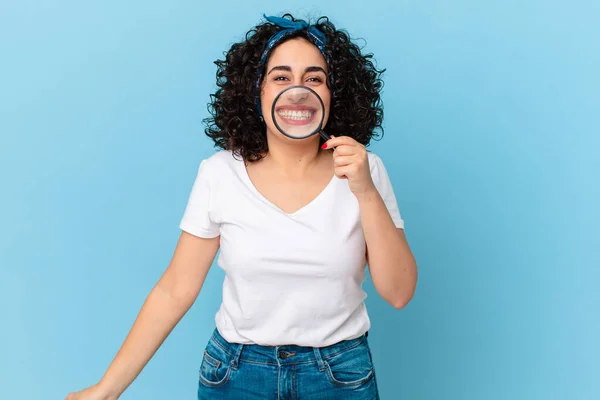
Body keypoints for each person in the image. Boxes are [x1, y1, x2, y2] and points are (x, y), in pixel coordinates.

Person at [66, 13, 418, 400]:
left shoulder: (366, 172)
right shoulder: (219, 174)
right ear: (257, 92)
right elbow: (175, 290)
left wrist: (365, 191)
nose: (297, 91)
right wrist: (106, 389)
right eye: (281, 77)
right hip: (236, 375)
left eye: (314, 78)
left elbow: (399, 292)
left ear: (335, 94)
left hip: (339, 375)